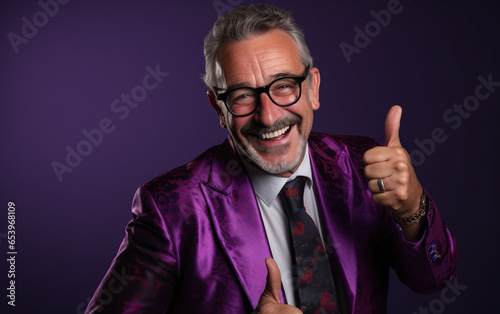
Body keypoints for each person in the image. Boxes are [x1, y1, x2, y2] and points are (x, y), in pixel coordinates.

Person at [86, 4, 456, 314]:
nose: (268, 115)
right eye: (243, 96)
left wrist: (412, 208)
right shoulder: (173, 208)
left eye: (283, 86)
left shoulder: (365, 165)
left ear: (312, 88)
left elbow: (433, 278)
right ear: (219, 108)